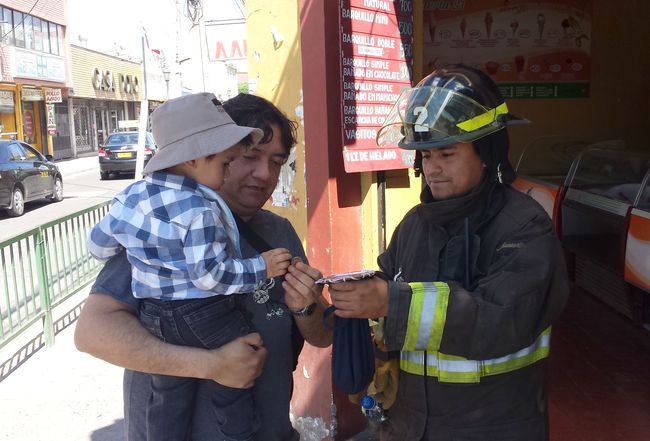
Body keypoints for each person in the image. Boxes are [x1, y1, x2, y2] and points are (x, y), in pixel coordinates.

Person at [329, 65, 569, 440]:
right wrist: (353, 299)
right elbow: (387, 287)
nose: (433, 169)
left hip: (492, 427)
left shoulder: (524, 226)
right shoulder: (414, 224)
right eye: (425, 157)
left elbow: (502, 320)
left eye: (447, 153)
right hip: (409, 425)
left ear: (486, 153)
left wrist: (391, 303)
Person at [75, 93, 332, 441]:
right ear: (207, 155)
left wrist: (306, 306)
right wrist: (213, 366)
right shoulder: (162, 227)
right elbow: (92, 335)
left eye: (276, 162)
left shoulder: (279, 232)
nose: (264, 174)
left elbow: (321, 334)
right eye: (249, 157)